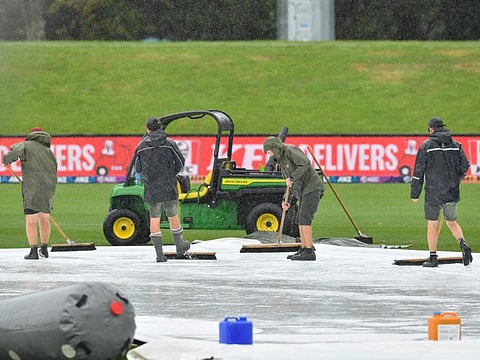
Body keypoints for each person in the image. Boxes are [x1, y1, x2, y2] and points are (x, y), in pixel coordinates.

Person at [410, 117, 472, 267]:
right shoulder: (456, 145)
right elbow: (465, 165)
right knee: (451, 221)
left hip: (433, 191)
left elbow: (419, 171)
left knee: (432, 223)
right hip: (452, 191)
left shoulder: (427, 146)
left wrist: (415, 193)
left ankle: (433, 257)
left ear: (431, 129)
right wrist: (456, 180)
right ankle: (463, 244)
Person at [135, 117, 190, 262]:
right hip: (168, 184)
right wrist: (170, 173)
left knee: (154, 217)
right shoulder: (170, 143)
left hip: (152, 187)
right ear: (160, 128)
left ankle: (159, 255)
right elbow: (180, 163)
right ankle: (180, 247)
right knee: (173, 215)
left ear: (147, 129)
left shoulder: (141, 146)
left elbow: (138, 168)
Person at [263, 137, 324, 261]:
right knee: (299, 219)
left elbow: (305, 164)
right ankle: (303, 247)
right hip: (302, 192)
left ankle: (309, 251)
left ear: (275, 148)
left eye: (269, 152)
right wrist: (287, 200)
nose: (269, 155)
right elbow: (289, 185)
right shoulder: (281, 161)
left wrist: (292, 177)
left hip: (311, 188)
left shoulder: (290, 151)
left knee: (304, 218)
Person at [2, 127, 57, 260]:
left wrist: (6, 161)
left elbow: (13, 153)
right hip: (49, 187)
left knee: (31, 219)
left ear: (31, 135)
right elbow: (55, 166)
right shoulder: (48, 151)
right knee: (44, 217)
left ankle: (33, 250)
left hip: (32, 187)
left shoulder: (26, 145)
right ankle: (44, 249)